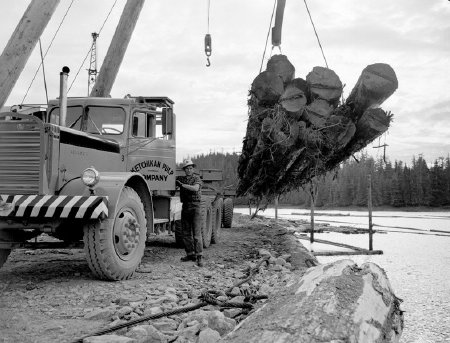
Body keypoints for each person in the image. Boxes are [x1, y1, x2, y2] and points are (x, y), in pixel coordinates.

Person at [176, 159, 204, 267]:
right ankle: (190, 254)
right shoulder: (181, 178)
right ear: (184, 170)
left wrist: (182, 185)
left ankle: (199, 256)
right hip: (185, 206)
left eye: (190, 168)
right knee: (186, 233)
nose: (189, 170)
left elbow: (195, 188)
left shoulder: (196, 178)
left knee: (197, 234)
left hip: (195, 206)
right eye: (187, 168)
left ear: (193, 169)